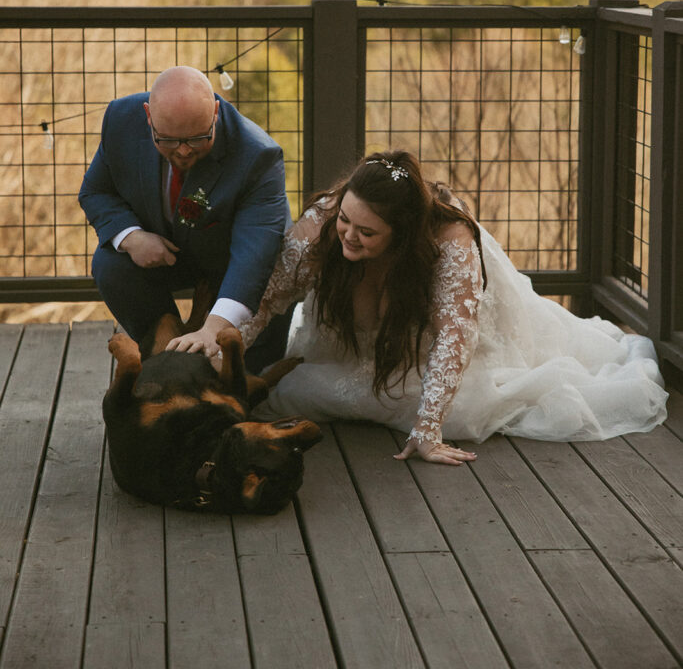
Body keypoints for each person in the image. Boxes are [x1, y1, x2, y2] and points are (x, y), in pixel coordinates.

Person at [190, 149, 667, 465]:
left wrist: (428, 430)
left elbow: (455, 337)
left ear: (403, 234)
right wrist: (214, 354)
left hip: (448, 352)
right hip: (354, 347)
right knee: (296, 389)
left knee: (461, 413)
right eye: (346, 220)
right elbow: (266, 301)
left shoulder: (448, 243)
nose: (349, 235)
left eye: (367, 232)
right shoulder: (325, 224)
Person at [78, 65, 291, 371]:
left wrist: (213, 327)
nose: (183, 152)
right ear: (148, 116)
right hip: (164, 251)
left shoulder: (258, 155)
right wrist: (132, 237)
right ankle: (164, 354)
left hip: (232, 265)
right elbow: (96, 191)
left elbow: (255, 256)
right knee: (109, 263)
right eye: (168, 140)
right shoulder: (121, 120)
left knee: (248, 378)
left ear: (216, 112)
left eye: (197, 139)